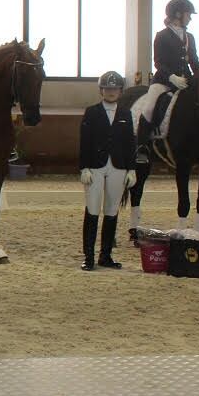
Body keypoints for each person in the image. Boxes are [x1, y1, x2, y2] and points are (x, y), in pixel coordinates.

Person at [78, 71, 137, 271]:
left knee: (111, 211)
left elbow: (130, 142)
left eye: (115, 89)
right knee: (93, 210)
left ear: (120, 91)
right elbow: (84, 141)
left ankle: (106, 255)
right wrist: (83, 166)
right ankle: (89, 256)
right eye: (108, 88)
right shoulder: (91, 112)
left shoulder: (125, 113)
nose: (111, 92)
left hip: (118, 166)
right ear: (101, 90)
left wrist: (132, 168)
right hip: (95, 165)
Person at [134, 0, 199, 165]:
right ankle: (142, 147)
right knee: (148, 107)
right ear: (178, 14)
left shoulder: (189, 37)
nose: (190, 18)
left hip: (186, 80)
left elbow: (194, 61)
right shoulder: (162, 36)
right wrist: (172, 77)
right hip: (164, 80)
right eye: (188, 14)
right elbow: (158, 62)